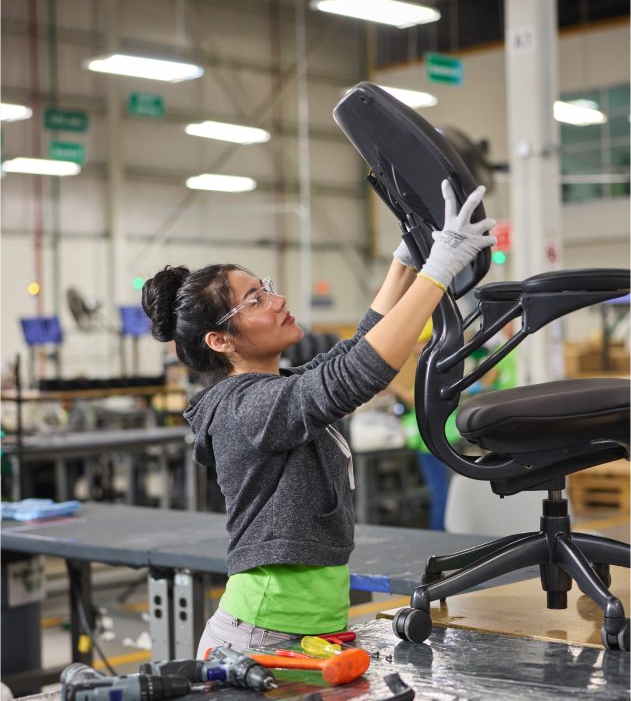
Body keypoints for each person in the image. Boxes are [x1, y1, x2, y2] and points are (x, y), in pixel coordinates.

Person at [141, 181, 496, 655]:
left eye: (265, 288)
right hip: (263, 633)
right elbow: (354, 374)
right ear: (220, 341)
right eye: (254, 301)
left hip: (306, 630)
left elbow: (352, 351)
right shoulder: (243, 408)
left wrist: (405, 261)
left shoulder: (275, 388)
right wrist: (438, 271)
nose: (277, 300)